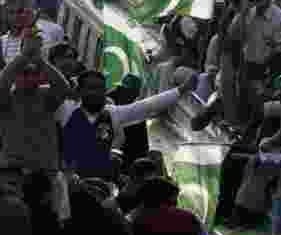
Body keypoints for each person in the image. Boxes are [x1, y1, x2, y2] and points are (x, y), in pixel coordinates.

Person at [58, 69, 195, 181]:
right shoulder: (66, 111)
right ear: (80, 91)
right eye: (90, 88)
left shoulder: (112, 113)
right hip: (70, 182)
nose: (95, 93)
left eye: (100, 88)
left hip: (102, 184)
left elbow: (147, 106)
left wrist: (181, 90)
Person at [0, 33, 72, 223]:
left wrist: (40, 61)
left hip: (46, 174)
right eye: (23, 73)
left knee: (52, 224)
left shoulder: (46, 97)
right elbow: (0, 86)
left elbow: (64, 88)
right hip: (15, 174)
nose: (28, 76)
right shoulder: (5, 100)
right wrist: (23, 57)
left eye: (32, 73)